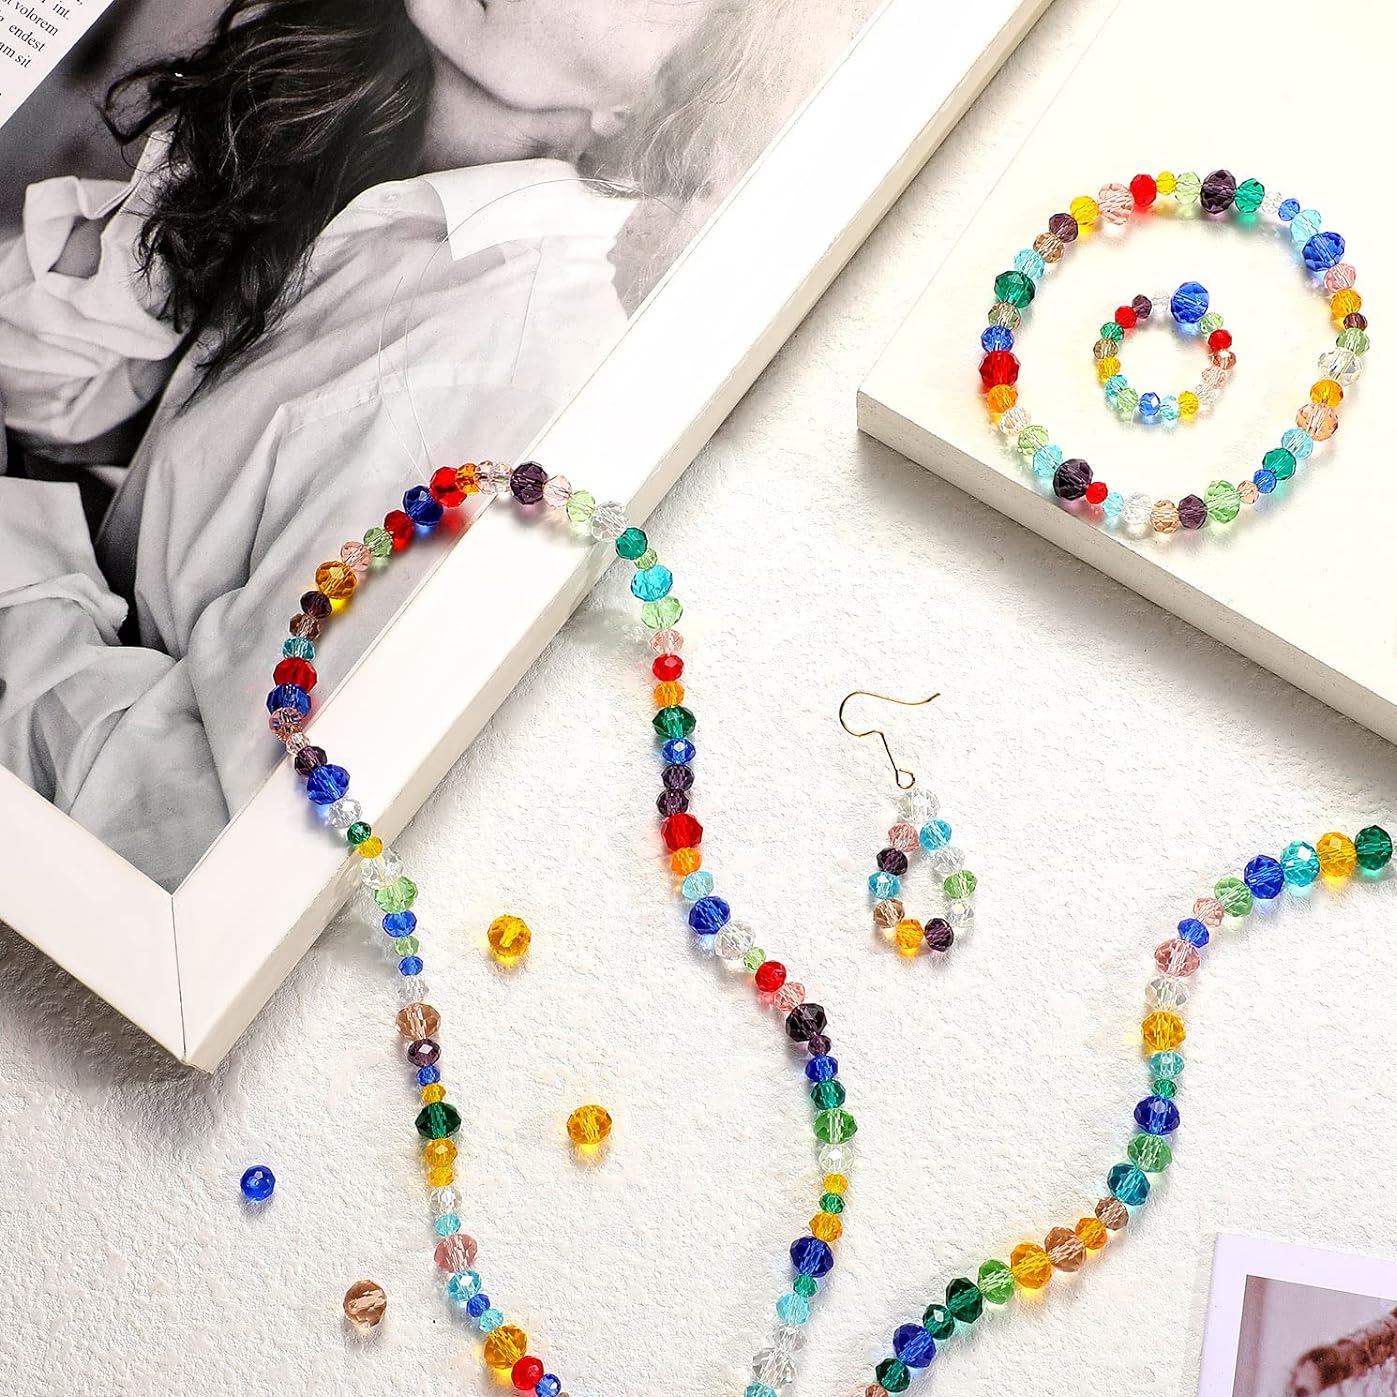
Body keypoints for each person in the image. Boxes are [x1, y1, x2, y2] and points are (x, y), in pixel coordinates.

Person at [0, 0, 862, 888]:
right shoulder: (355, 138)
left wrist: (19, 557)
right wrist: (191, 209)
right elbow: (47, 389)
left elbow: (199, 841)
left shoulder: (516, 374)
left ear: (643, 100)